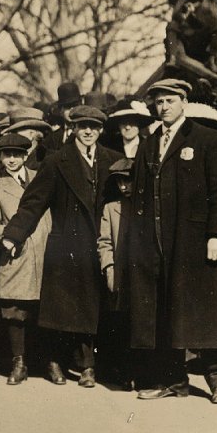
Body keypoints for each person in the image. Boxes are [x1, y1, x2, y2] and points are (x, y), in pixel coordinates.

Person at [124, 79, 217, 404]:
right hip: (158, 242)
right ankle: (173, 380)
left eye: (170, 101)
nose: (164, 108)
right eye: (159, 102)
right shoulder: (149, 144)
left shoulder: (208, 139)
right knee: (164, 310)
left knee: (209, 309)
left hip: (196, 241)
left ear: (184, 102)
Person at [2, 105, 121, 388]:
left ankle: (87, 366)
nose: (88, 131)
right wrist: (14, 234)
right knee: (60, 309)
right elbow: (34, 201)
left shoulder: (113, 160)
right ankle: (54, 361)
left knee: (92, 306)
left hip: (99, 243)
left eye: (94, 126)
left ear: (100, 130)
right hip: (66, 243)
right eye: (83, 126)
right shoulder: (57, 161)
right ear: (74, 128)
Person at [0, 134, 50, 385]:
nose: (12, 159)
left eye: (17, 154)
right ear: (0, 157)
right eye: (6, 155)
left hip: (45, 253)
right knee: (15, 311)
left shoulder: (41, 178)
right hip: (16, 255)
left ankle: (48, 362)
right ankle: (19, 363)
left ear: (25, 155)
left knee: (44, 309)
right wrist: (10, 237)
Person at [96, 158, 135, 389]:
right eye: (119, 182)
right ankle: (123, 372)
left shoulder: (147, 207)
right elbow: (104, 242)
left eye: (127, 181)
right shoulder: (111, 208)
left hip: (141, 273)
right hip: (119, 273)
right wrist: (109, 268)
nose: (123, 187)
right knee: (120, 324)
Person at [0, 107, 52, 171]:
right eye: (11, 132)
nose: (11, 136)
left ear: (31, 134)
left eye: (15, 132)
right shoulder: (5, 159)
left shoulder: (47, 158)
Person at [41, 82, 83, 153]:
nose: (72, 110)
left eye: (75, 106)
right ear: (61, 110)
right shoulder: (52, 138)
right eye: (68, 106)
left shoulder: (89, 134)